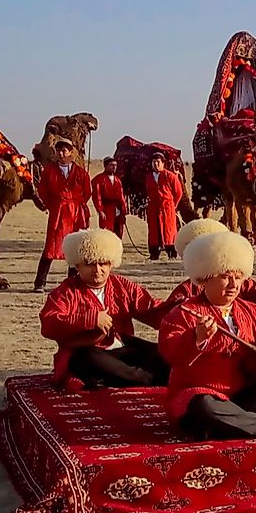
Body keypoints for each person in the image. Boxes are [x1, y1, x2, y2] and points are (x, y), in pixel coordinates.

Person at [158, 231, 256, 439]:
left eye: (238, 278)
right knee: (205, 408)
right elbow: (170, 352)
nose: (234, 285)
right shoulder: (183, 313)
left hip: (241, 396)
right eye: (225, 277)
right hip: (203, 395)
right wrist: (196, 338)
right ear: (205, 278)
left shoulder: (251, 311)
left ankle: (238, 424)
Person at [40, 229, 167, 390]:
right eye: (90, 263)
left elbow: (152, 309)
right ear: (77, 264)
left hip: (121, 348)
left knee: (162, 352)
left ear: (111, 263)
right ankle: (145, 379)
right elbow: (49, 323)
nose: (97, 269)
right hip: (88, 352)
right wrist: (91, 319)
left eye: (103, 263)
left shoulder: (122, 285)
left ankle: (108, 379)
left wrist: (182, 308)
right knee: (84, 358)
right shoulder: (66, 292)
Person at [32, 138, 91, 292]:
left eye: (65, 150)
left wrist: (77, 203)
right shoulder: (50, 171)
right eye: (59, 150)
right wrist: (53, 205)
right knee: (51, 247)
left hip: (75, 214)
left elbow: (87, 192)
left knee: (74, 248)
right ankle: (40, 282)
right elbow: (43, 191)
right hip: (58, 213)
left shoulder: (80, 172)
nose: (62, 153)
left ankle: (72, 282)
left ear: (71, 153)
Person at [145, 152, 184, 260]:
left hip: (167, 206)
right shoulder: (148, 177)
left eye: (158, 162)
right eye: (153, 162)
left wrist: (172, 205)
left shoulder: (170, 176)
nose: (156, 164)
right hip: (153, 206)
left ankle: (171, 253)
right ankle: (154, 253)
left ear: (163, 163)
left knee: (169, 230)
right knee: (154, 230)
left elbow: (178, 192)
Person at [91, 157, 127, 238]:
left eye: (115, 165)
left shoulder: (118, 180)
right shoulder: (99, 180)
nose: (114, 167)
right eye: (111, 165)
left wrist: (124, 209)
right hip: (106, 209)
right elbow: (97, 196)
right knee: (107, 232)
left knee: (118, 232)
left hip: (118, 210)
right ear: (106, 166)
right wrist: (100, 210)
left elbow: (121, 196)